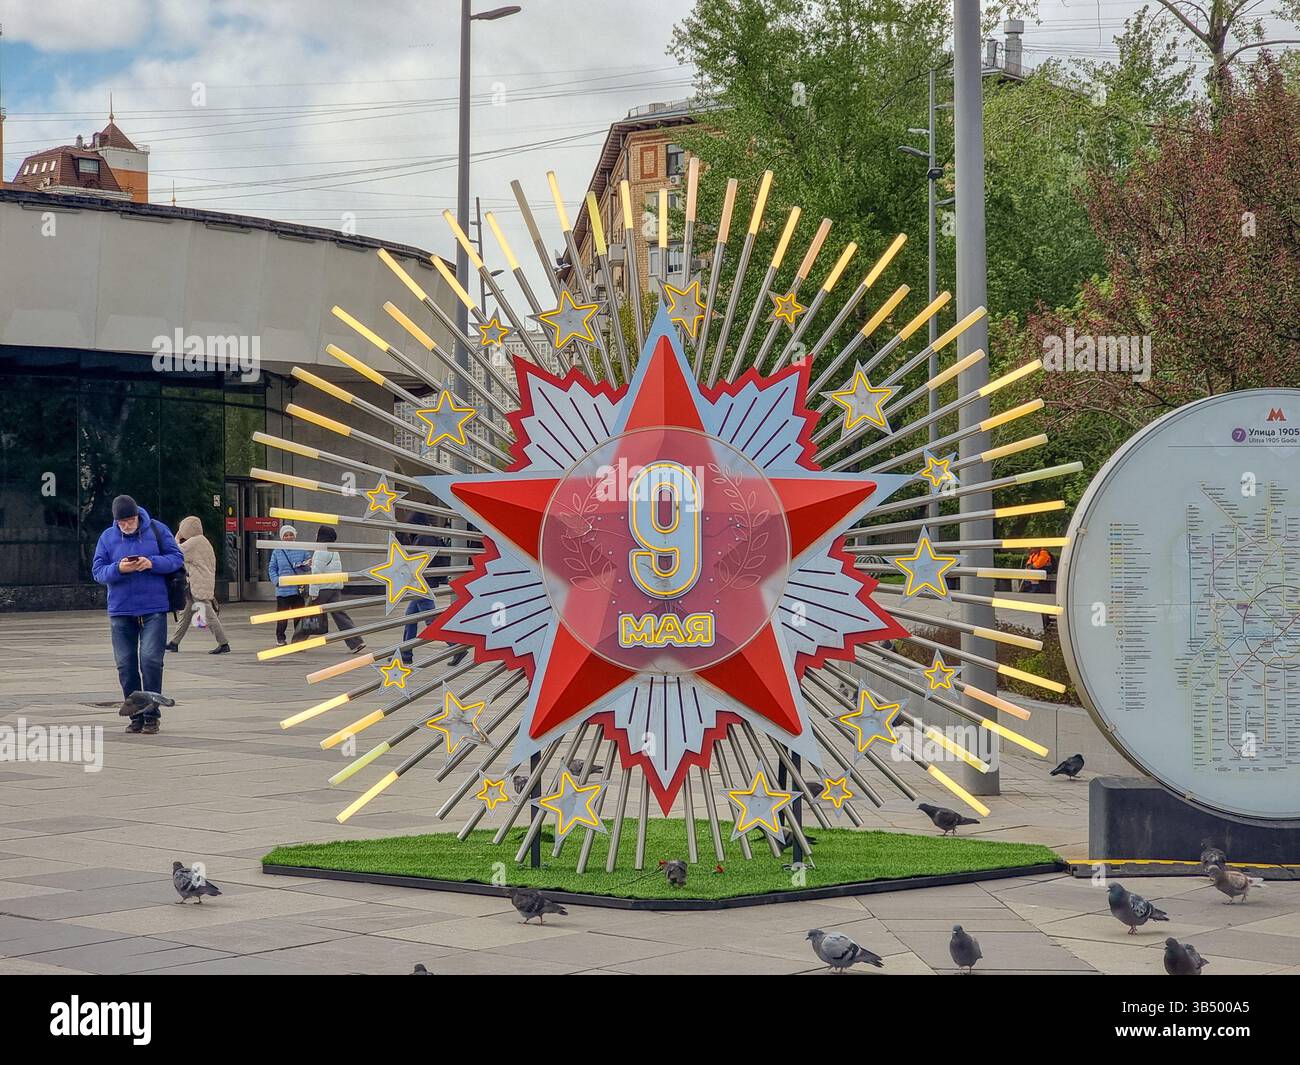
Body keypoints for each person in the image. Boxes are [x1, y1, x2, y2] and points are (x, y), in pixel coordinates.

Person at [90, 494, 185, 735]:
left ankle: (152, 714)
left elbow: (176, 558)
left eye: (130, 520)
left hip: (154, 607)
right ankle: (136, 716)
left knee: (151, 661)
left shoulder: (156, 529)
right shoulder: (107, 537)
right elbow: (98, 571)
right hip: (121, 610)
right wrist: (118, 568)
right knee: (125, 665)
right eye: (121, 522)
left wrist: (151, 563)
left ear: (137, 515)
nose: (126, 526)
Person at [166, 516, 230, 655]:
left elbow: (176, 552)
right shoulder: (204, 541)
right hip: (197, 583)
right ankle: (174, 642)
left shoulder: (194, 542)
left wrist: (177, 537)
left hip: (198, 583)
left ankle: (223, 642)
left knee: (208, 614)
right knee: (185, 613)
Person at [309, 525, 366, 652]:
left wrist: (313, 592)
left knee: (307, 615)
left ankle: (297, 642)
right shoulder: (334, 550)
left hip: (323, 589)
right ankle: (356, 642)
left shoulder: (320, 551)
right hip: (334, 588)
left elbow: (316, 573)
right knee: (341, 616)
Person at [268, 524, 311, 645]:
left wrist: (305, 565)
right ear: (282, 537)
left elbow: (309, 566)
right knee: (283, 616)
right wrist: (277, 581)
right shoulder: (277, 551)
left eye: (291, 534)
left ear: (295, 536)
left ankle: (299, 639)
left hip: (298, 589)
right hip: (283, 590)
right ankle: (280, 637)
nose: (288, 537)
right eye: (286, 535)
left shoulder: (302, 549)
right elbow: (272, 568)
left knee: (299, 616)